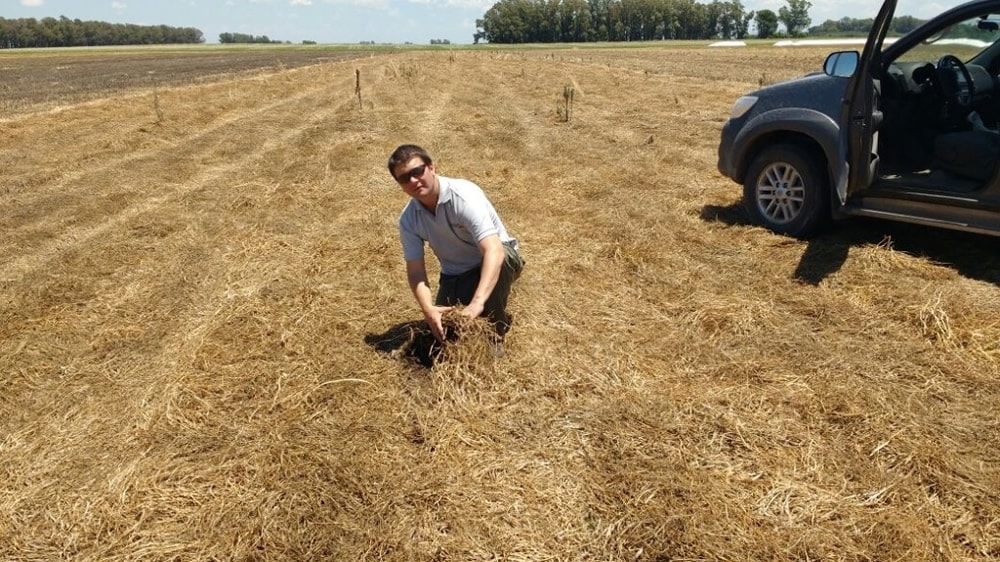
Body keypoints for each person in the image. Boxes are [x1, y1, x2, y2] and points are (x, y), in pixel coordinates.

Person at [388, 144, 524, 349]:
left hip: (497, 258)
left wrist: (477, 303)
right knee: (445, 337)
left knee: (501, 260)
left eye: (417, 171)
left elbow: (493, 250)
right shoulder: (409, 219)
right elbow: (416, 272)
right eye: (405, 178)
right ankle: (479, 299)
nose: (414, 181)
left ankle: (496, 334)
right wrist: (428, 309)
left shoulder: (463, 196)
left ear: (432, 167)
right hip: (456, 275)